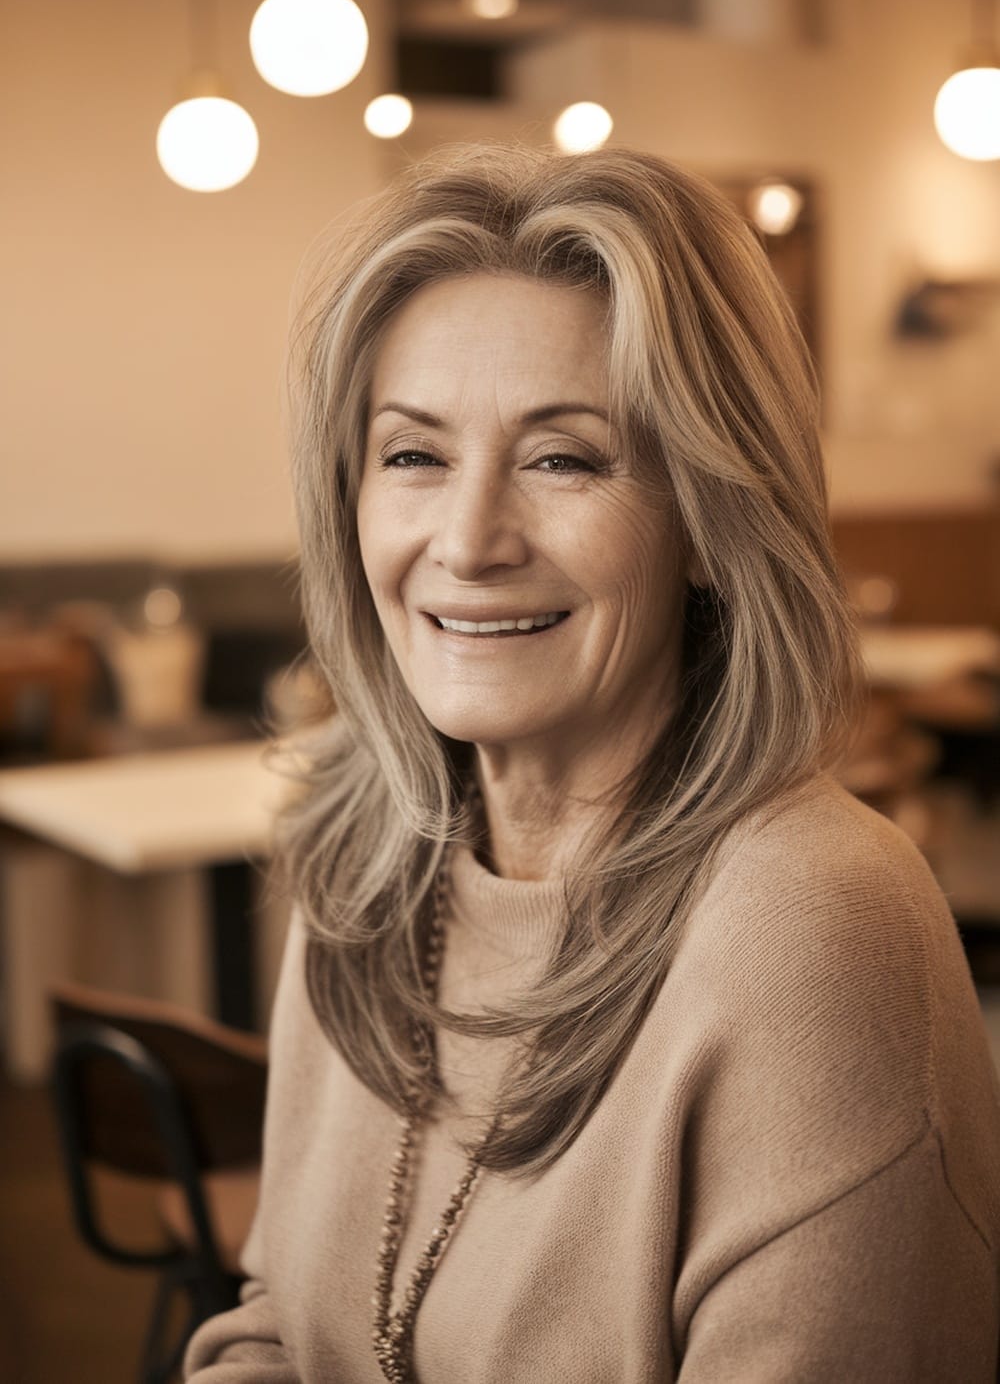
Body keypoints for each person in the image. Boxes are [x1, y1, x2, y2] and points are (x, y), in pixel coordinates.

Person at [185, 145, 1000, 1383]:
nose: (467, 541)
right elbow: (280, 1320)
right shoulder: (362, 860)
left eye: (563, 458)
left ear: (707, 522)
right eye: (413, 455)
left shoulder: (813, 923)